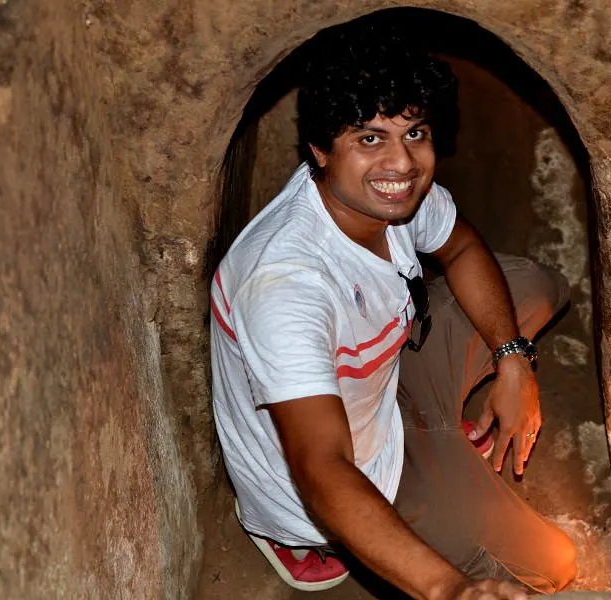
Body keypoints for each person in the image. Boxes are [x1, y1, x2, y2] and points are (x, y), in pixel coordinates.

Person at [209, 20, 577, 600]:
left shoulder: (397, 198)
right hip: (350, 468)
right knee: (553, 565)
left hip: (383, 374)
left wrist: (513, 363)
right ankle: (299, 537)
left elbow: (459, 245)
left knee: (536, 285)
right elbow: (322, 464)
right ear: (320, 150)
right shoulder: (284, 285)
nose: (402, 165)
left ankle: (442, 431)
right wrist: (446, 590)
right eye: (370, 138)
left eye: (416, 133)